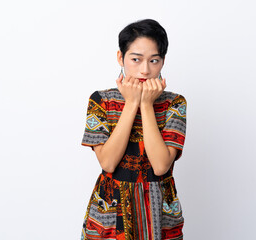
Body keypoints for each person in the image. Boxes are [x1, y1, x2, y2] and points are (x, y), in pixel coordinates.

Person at [80, 19, 187, 240]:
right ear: (121, 58)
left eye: (154, 60)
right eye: (136, 59)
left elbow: (160, 166)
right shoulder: (102, 101)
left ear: (163, 61)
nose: (145, 70)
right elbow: (108, 163)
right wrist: (131, 103)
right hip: (110, 210)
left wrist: (146, 104)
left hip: (158, 211)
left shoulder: (175, 103)